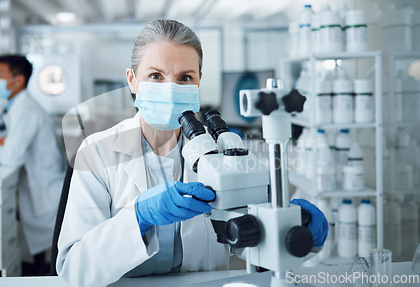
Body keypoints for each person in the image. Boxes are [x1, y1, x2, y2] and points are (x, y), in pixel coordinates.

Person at [56, 20, 328, 287]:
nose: (171, 89)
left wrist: (288, 226)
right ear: (132, 80)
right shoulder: (98, 153)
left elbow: (250, 240)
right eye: (155, 76)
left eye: (185, 78)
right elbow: (74, 269)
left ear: (198, 83)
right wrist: (138, 218)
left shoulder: (220, 154)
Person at [0, 55, 66, 274]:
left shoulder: (25, 109)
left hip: (44, 193)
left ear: (18, 80)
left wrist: (1, 149)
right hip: (43, 185)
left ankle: (40, 270)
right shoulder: (20, 106)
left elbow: (10, 157)